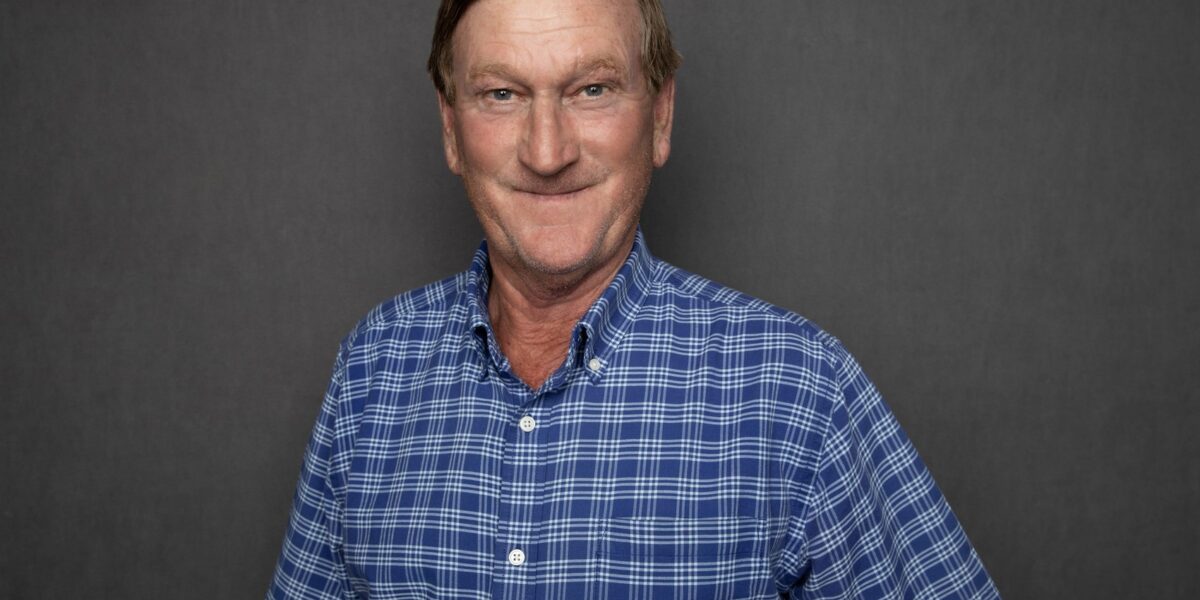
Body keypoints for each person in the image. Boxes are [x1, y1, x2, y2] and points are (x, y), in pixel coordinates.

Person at [267, 0, 999, 598]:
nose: (548, 152)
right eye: (501, 94)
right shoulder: (372, 372)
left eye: (592, 89)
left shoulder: (799, 393)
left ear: (661, 116)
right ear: (451, 129)